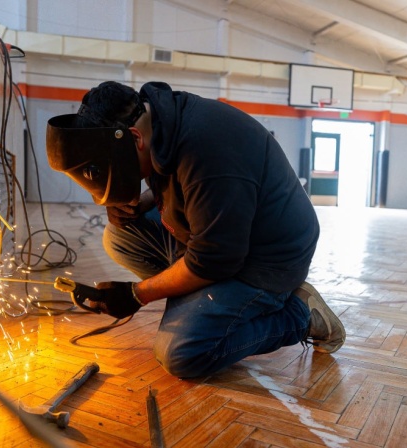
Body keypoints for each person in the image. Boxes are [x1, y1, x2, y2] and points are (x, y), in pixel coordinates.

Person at [45, 81, 345, 378]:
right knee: (121, 237)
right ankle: (200, 303)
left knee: (182, 354)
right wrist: (137, 201)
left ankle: (299, 315)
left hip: (268, 259)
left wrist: (137, 294)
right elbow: (184, 185)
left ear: (134, 138)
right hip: (226, 238)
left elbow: (216, 259)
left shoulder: (208, 148)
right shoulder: (161, 121)